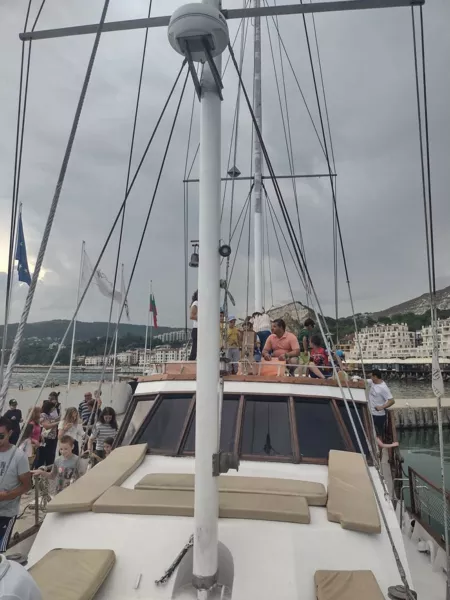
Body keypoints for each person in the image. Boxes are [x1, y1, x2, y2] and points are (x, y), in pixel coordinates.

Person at [0, 416, 32, 552]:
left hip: (6, 513)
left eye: (1, 436)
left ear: (10, 433)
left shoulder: (19, 457)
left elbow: (27, 485)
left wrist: (6, 496)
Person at [368, 369, 395, 438]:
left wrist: (382, 407)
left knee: (378, 434)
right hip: (371, 413)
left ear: (375, 377)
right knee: (371, 433)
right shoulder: (372, 382)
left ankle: (380, 444)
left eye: (371, 376)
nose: (370, 378)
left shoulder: (383, 388)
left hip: (379, 415)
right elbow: (364, 381)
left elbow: (392, 400)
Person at [34, 400, 59, 468]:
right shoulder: (43, 415)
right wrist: (58, 423)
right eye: (52, 408)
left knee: (51, 456)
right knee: (43, 455)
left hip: (52, 438)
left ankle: (49, 468)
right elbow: (46, 426)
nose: (53, 409)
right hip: (46, 438)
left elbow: (51, 422)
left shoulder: (49, 415)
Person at [189, 290, 198, 361]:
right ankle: (191, 360)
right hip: (197, 328)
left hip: (200, 328)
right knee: (195, 348)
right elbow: (191, 316)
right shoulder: (196, 303)